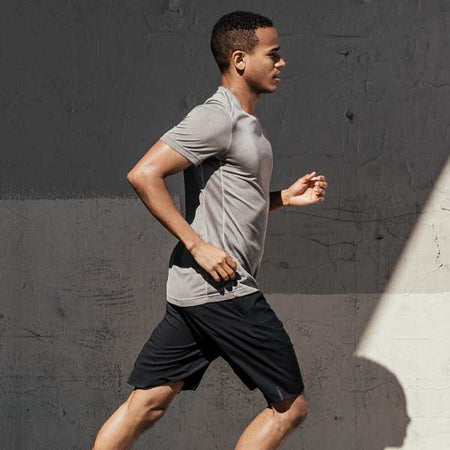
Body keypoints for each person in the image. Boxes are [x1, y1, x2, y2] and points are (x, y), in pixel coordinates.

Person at [93, 10, 328, 450]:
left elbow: (229, 202)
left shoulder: (244, 122)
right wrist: (197, 245)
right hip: (225, 290)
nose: (282, 63)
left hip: (194, 292)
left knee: (146, 404)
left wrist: (282, 199)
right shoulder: (216, 117)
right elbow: (144, 174)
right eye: (272, 55)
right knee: (290, 407)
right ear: (240, 60)